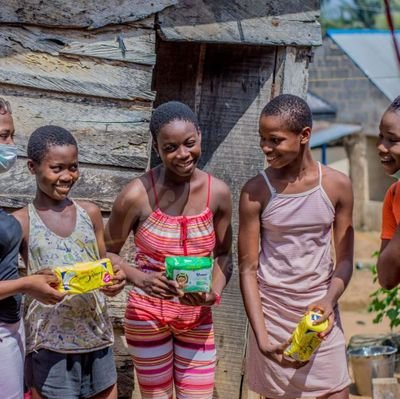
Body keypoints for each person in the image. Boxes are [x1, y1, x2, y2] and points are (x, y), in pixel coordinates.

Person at [104, 101, 232, 399]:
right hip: (147, 316)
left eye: (189, 143)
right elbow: (107, 254)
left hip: (197, 318)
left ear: (200, 135)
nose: (183, 154)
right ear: (156, 147)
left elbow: (225, 254)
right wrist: (141, 279)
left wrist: (213, 292)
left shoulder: (219, 194)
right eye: (170, 147)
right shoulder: (136, 195)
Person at [238, 94, 354, 399]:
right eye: (262, 139)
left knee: (336, 391)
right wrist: (262, 338)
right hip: (274, 321)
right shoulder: (255, 191)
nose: (266, 148)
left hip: (320, 320)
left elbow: (344, 260)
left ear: (304, 136)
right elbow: (248, 269)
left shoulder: (336, 186)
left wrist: (329, 301)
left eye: (275, 140)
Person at [13, 125, 126, 399]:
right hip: (50, 345)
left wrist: (114, 281)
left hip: (96, 336)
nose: (67, 176)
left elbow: (104, 265)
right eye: (57, 168)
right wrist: (29, 284)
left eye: (73, 167)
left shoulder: (90, 213)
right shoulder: (22, 222)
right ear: (32, 167)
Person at [0, 99, 65, 399]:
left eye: (11, 134)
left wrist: (31, 279)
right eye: (2, 136)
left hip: (9, 327)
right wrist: (27, 284)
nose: (11, 144)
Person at [376, 96, 400, 289]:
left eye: (392, 140)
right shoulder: (394, 195)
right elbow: (387, 278)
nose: (381, 147)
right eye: (381, 137)